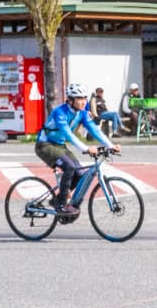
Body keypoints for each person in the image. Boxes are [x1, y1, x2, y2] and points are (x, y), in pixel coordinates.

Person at [38, 83, 117, 221]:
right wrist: (86, 148)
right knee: (70, 167)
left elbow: (95, 130)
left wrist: (110, 145)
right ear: (70, 100)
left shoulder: (82, 114)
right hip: (45, 145)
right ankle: (62, 205)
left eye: (84, 98)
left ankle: (56, 200)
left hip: (59, 145)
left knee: (80, 173)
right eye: (79, 99)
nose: (83, 102)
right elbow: (68, 135)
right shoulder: (59, 112)